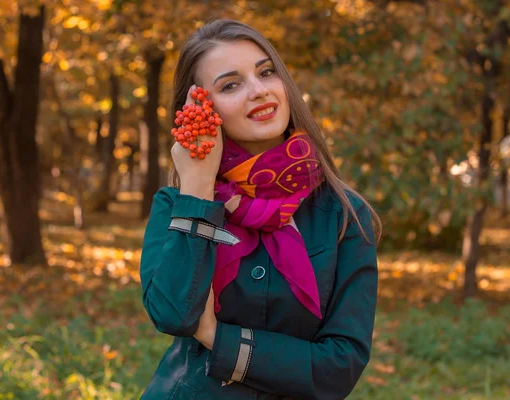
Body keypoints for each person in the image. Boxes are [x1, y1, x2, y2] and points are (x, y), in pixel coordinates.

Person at [139, 19, 381, 400]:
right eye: (231, 85)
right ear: (201, 107)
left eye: (266, 72)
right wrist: (199, 187)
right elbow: (172, 313)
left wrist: (217, 338)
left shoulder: (343, 214)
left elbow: (340, 366)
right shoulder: (175, 204)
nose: (259, 91)